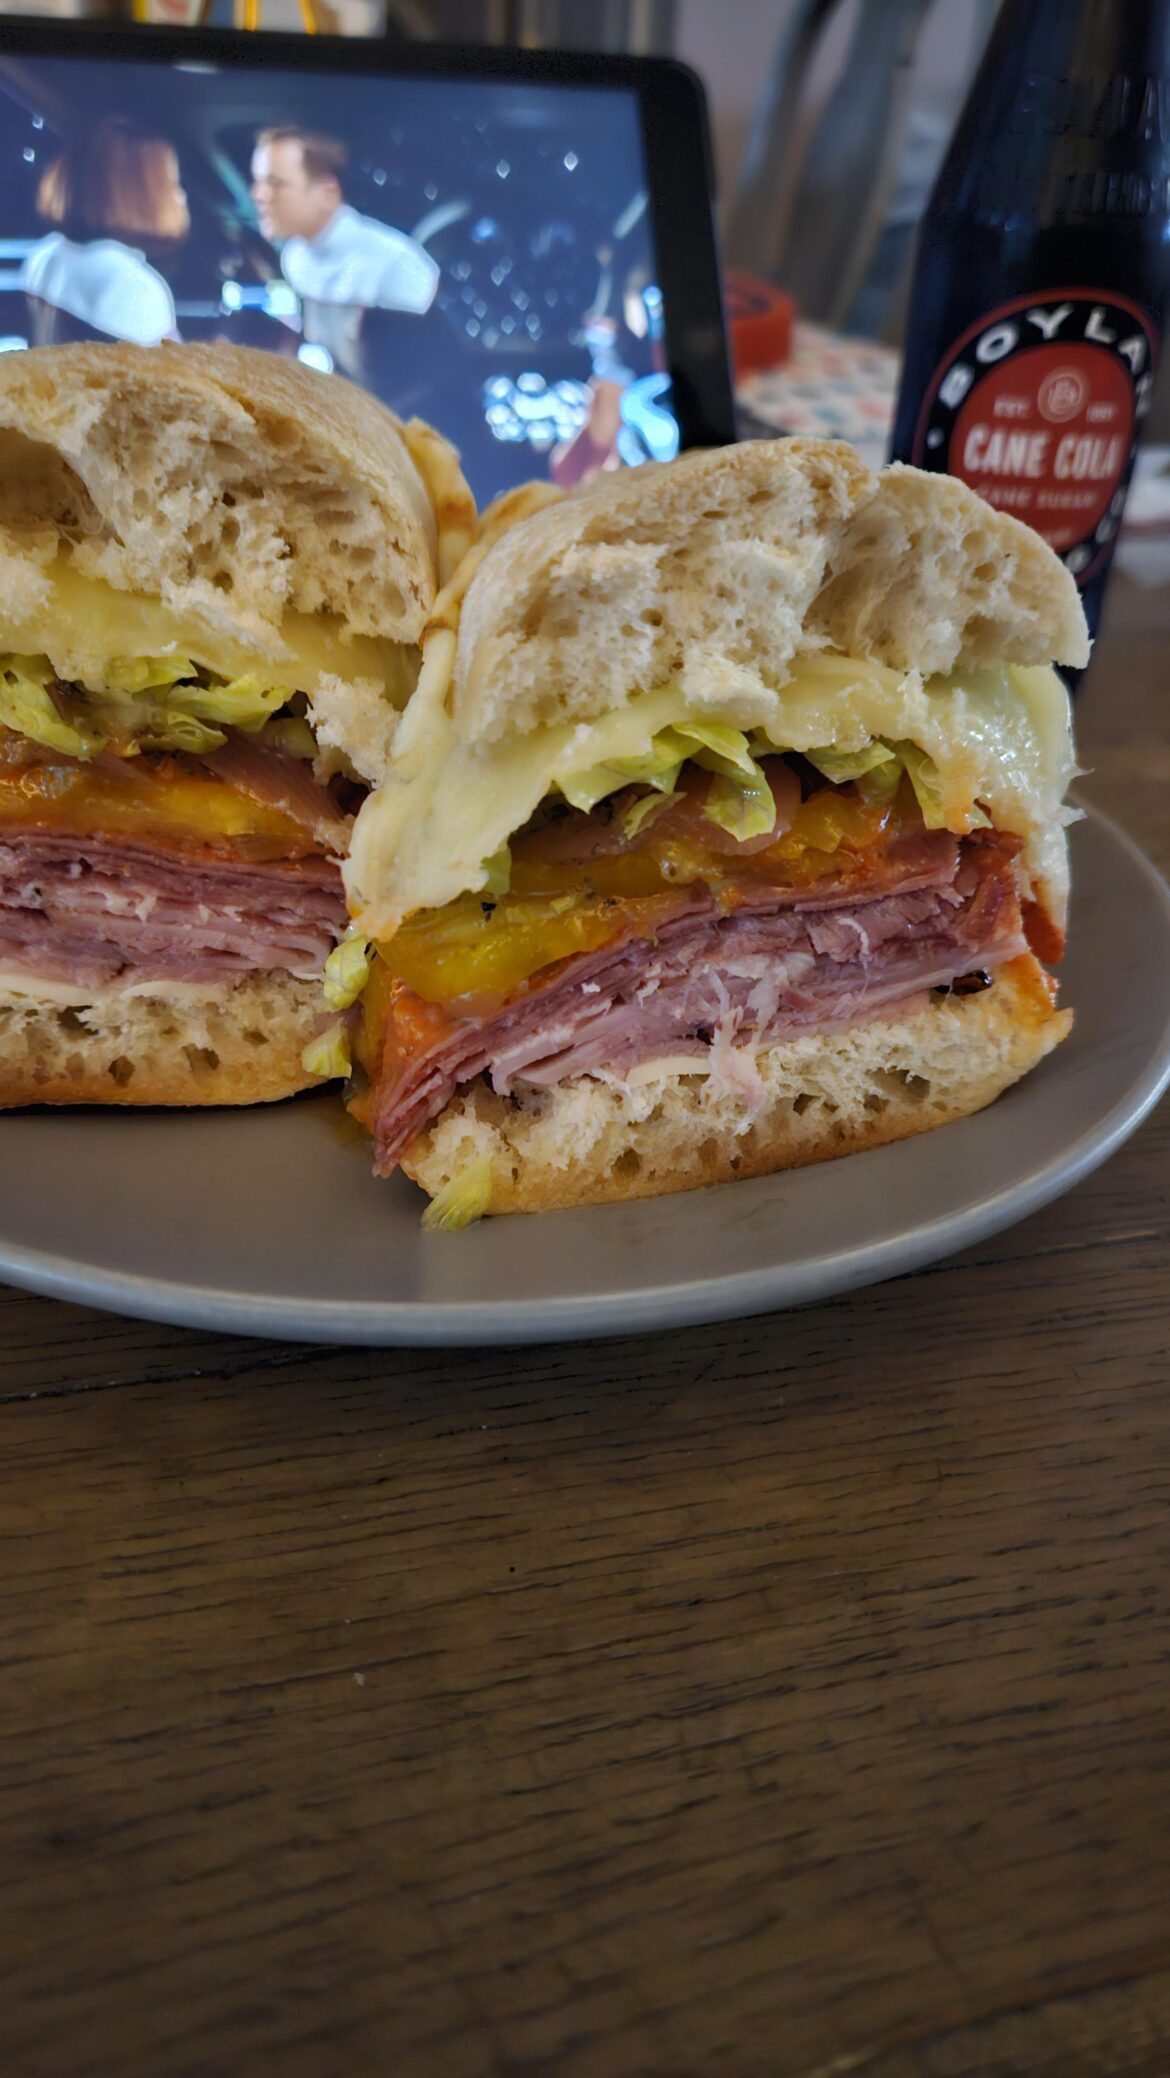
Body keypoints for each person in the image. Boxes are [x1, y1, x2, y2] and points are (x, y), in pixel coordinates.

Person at [250, 126, 439, 382]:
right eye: (258, 182)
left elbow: (425, 376)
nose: (258, 195)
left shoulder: (398, 264)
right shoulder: (293, 258)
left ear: (327, 193)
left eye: (276, 183)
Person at [21, 120, 188, 348]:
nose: (181, 196)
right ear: (138, 192)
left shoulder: (43, 256)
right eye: (173, 183)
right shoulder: (136, 286)